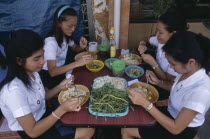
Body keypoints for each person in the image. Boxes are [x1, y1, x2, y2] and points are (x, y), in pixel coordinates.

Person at [0, 29, 95, 139]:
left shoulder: (32, 73)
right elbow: (32, 131)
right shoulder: (14, 91)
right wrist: (62, 109)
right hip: (36, 131)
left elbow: (41, 97)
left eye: (42, 55)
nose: (42, 62)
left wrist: (61, 86)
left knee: (85, 118)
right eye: (36, 58)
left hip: (44, 114)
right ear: (19, 61)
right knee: (87, 130)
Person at [122, 31, 210, 139]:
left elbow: (175, 128)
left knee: (126, 129)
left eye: (173, 64)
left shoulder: (201, 91)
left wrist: (145, 103)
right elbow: (178, 90)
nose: (171, 67)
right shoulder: (189, 72)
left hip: (180, 130)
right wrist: (159, 82)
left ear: (191, 62)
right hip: (170, 112)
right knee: (134, 113)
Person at [40, 5, 94, 89]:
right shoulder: (50, 43)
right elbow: (52, 72)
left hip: (62, 71)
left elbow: (75, 48)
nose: (73, 29)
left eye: (75, 26)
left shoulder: (65, 35)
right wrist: (77, 63)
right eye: (70, 26)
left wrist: (81, 47)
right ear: (59, 23)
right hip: (50, 77)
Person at [138, 10, 188, 82]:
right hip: (154, 76)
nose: (157, 35)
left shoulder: (179, 53)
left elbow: (168, 81)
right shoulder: (162, 40)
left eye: (160, 32)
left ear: (173, 34)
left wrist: (153, 64)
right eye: (157, 31)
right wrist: (142, 44)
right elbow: (147, 39)